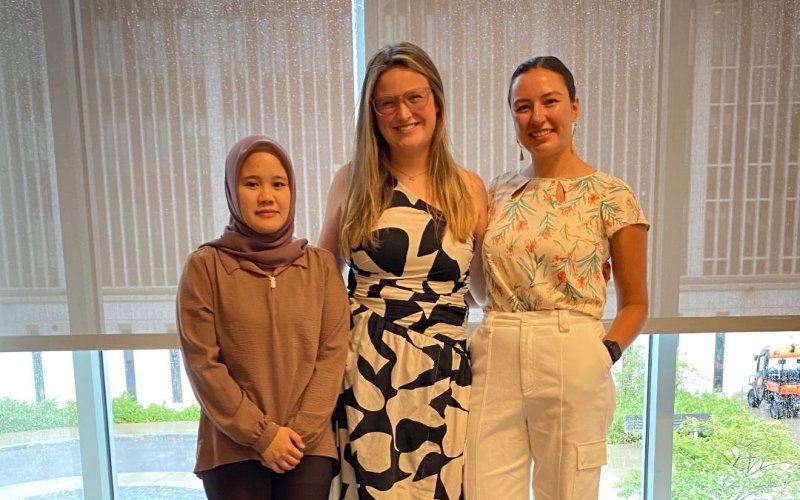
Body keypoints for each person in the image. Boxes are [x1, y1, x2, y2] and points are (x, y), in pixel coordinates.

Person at [464, 56, 649, 499]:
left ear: (574, 107)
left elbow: (636, 303)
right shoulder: (497, 191)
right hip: (497, 346)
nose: (537, 117)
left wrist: (601, 354)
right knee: (483, 488)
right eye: (522, 106)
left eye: (550, 101)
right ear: (512, 115)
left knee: (567, 490)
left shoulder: (611, 195)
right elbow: (481, 288)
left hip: (572, 349)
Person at [318, 42, 487, 499]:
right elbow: (321, 277)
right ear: (372, 113)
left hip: (447, 371)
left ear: (435, 100)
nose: (403, 113)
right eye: (387, 102)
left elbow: (483, 290)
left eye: (414, 97)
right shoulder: (351, 181)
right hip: (368, 369)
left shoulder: (469, 187)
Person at [177, 135, 349, 500]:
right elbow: (203, 364)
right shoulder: (205, 267)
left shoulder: (320, 268)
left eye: (278, 183)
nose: (267, 196)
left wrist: (296, 435)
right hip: (230, 449)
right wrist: (263, 436)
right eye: (251, 183)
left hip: (307, 446)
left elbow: (332, 358)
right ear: (231, 191)